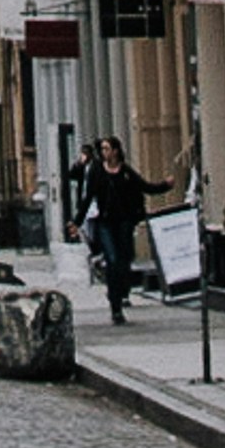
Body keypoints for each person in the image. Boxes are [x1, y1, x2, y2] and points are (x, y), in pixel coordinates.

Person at [86, 138, 153, 327]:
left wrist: (165, 185)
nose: (103, 152)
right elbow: (88, 197)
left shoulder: (125, 172)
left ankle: (121, 291)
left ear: (115, 151)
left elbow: (144, 186)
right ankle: (115, 306)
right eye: (102, 149)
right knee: (113, 260)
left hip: (124, 222)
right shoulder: (97, 171)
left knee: (124, 260)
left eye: (107, 148)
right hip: (105, 223)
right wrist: (76, 221)